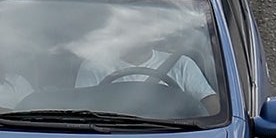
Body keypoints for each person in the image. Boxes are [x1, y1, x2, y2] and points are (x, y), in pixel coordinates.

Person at [76, 38, 219, 111]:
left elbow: (211, 104)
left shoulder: (181, 64)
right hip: (105, 134)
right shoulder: (94, 66)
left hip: (174, 134)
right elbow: (80, 110)